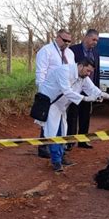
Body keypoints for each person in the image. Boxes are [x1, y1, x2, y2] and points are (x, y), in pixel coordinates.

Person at [35, 58, 106, 172]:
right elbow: (66, 91)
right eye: (87, 71)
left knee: (63, 132)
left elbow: (91, 88)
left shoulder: (82, 77)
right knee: (54, 133)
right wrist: (85, 98)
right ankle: (56, 161)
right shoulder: (64, 71)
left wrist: (100, 94)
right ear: (81, 66)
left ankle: (61, 156)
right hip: (50, 105)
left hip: (61, 107)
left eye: (90, 72)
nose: (88, 74)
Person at [35, 29, 75, 158]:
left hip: (63, 92)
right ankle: (43, 146)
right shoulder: (46, 51)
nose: (67, 43)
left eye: (69, 41)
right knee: (46, 118)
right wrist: (42, 92)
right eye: (64, 40)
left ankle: (58, 145)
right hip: (49, 91)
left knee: (60, 119)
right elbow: (41, 72)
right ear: (57, 37)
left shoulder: (70, 53)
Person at [67, 29, 100, 150]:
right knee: (72, 115)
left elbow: (96, 73)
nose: (95, 42)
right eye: (93, 39)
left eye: (97, 40)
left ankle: (83, 140)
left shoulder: (96, 53)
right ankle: (70, 141)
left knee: (85, 116)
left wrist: (96, 90)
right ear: (86, 37)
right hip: (75, 88)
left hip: (88, 89)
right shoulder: (73, 50)